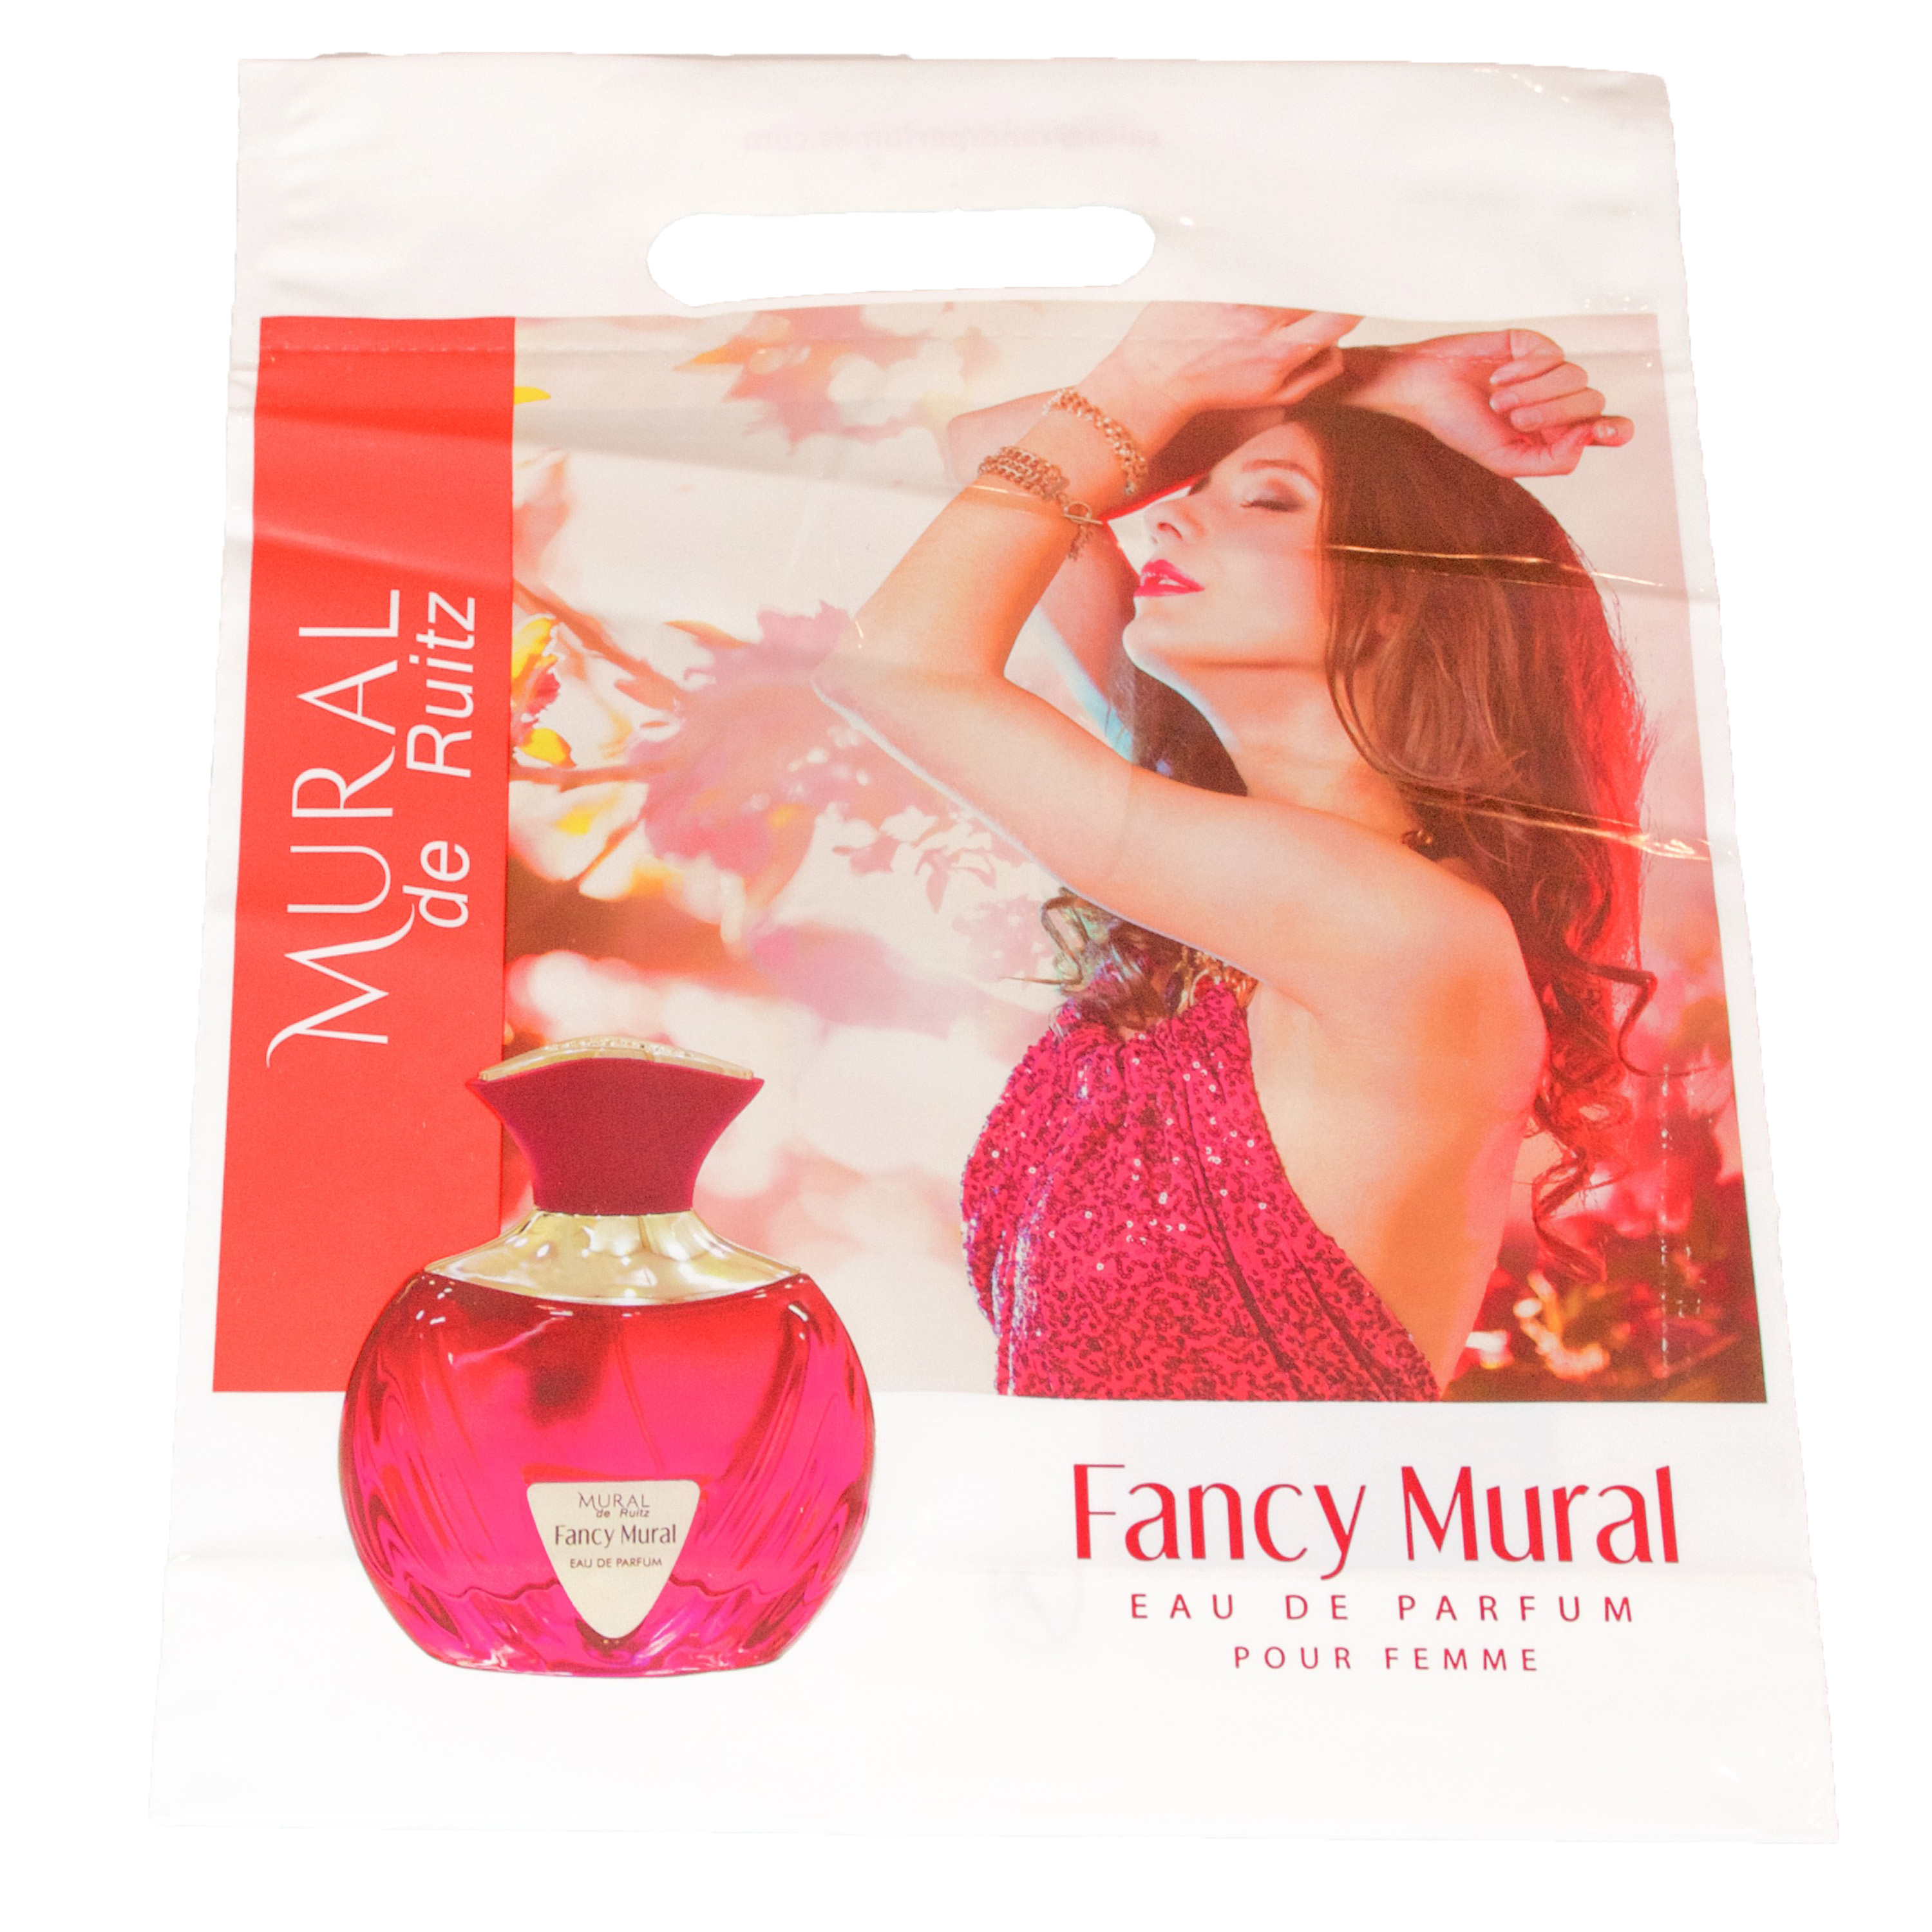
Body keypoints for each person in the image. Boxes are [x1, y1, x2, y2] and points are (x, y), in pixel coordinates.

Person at [813, 306, 1651, 1400]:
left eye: (1264, 502)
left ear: (1398, 598)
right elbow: (994, 445)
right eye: (1194, 492)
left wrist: (1164, 387)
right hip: (1130, 1508)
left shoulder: (1389, 926)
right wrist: (1373, 394)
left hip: (1257, 1519)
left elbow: (896, 668)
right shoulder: (1224, 856)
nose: (1164, 518)